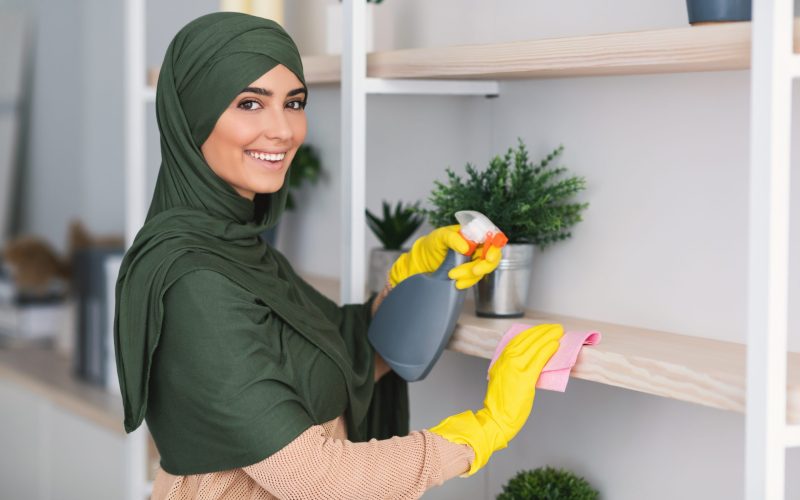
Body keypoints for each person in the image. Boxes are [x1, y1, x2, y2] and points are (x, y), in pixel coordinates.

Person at [113, 12, 563, 500]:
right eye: (249, 103)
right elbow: (322, 479)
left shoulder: (238, 249)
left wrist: (417, 274)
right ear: (192, 117)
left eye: (294, 103)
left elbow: (341, 359)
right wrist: (481, 431)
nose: (282, 130)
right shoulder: (195, 279)